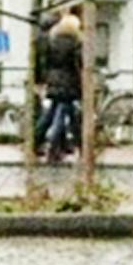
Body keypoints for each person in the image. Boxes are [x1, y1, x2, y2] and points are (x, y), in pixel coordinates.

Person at [35, 12, 83, 162]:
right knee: (62, 115)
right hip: (69, 82)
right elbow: (78, 63)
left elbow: (45, 61)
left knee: (54, 112)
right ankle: (54, 145)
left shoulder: (52, 40)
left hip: (53, 80)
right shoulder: (75, 42)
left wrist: (44, 79)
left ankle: (38, 140)